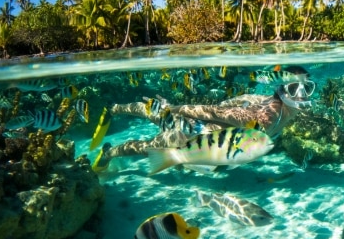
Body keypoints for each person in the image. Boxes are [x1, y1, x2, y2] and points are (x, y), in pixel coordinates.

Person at [91, 65, 315, 172]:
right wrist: (175, 108)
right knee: (148, 143)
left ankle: (114, 112)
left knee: (153, 122)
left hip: (201, 137)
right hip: (192, 133)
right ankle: (110, 148)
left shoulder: (268, 100)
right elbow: (215, 112)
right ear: (283, 89)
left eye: (307, 88)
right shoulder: (267, 118)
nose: (302, 95)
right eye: (295, 88)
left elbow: (234, 101)